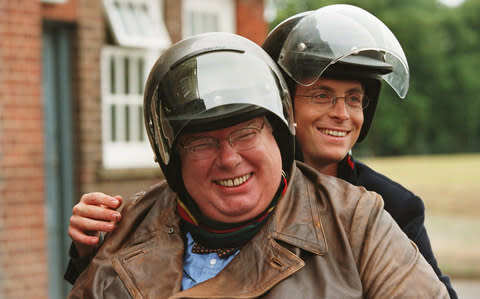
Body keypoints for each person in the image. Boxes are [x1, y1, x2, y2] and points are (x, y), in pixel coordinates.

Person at [67, 31, 448, 298]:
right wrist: (90, 251)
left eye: (246, 133)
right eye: (201, 142)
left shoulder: (360, 220)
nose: (229, 159)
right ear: (173, 158)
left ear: (279, 136)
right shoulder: (128, 231)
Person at [261, 4, 457, 298]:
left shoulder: (393, 205)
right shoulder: (251, 195)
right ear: (285, 106)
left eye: (353, 99)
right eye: (322, 95)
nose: (342, 113)